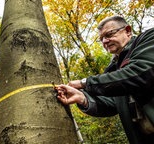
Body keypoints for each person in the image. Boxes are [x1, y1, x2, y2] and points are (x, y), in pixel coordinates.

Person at [56, 15, 154, 144]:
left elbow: (140, 73)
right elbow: (112, 104)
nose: (105, 41)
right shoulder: (113, 69)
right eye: (101, 39)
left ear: (128, 31)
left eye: (109, 34)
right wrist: (82, 98)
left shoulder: (148, 38)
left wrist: (84, 83)